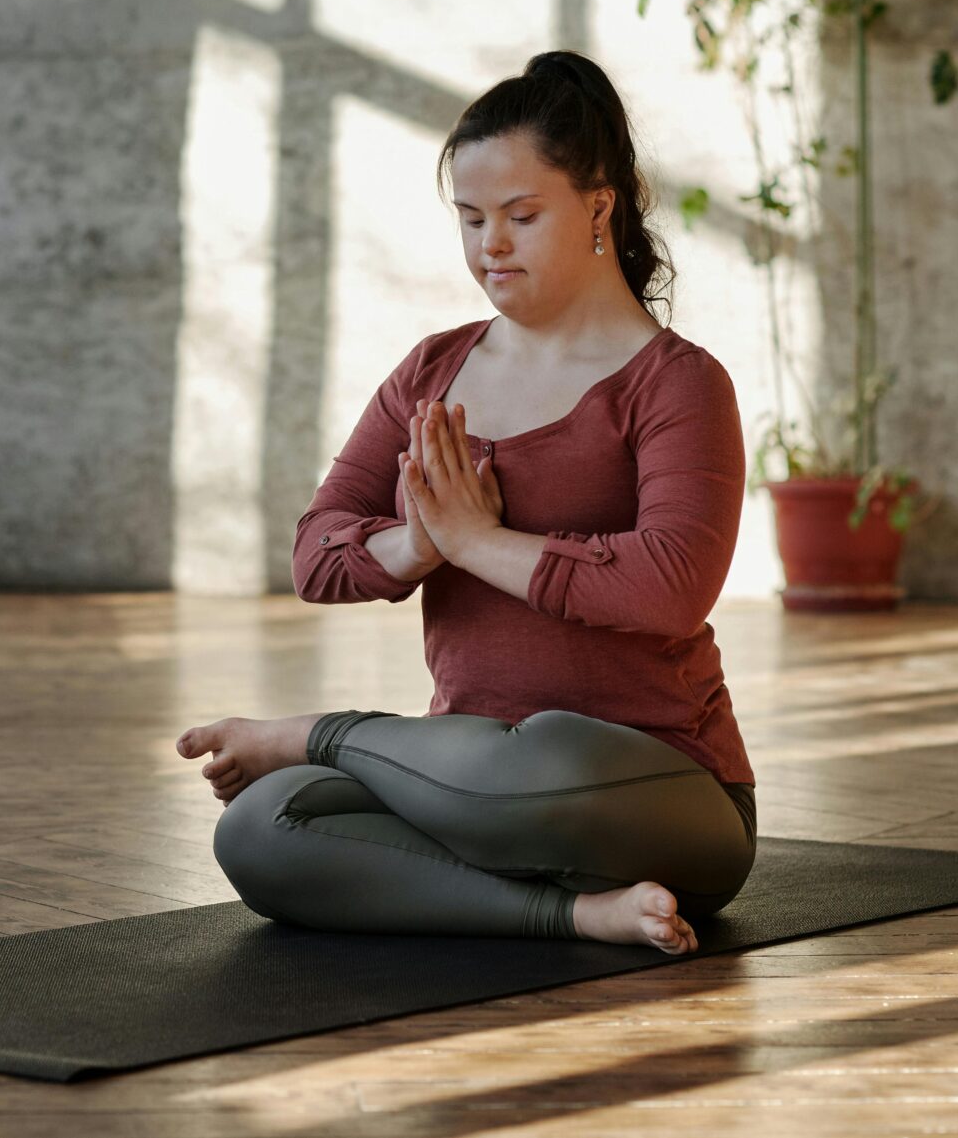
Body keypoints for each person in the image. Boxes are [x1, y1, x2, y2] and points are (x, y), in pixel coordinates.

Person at [175, 49, 756, 954]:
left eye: (522, 216)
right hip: (461, 772)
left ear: (600, 206)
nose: (491, 245)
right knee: (259, 827)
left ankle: (317, 735)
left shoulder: (679, 385)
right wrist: (415, 546)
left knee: (541, 757)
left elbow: (668, 584)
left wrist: (478, 540)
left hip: (652, 786)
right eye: (472, 217)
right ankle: (571, 914)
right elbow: (316, 554)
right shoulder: (433, 370)